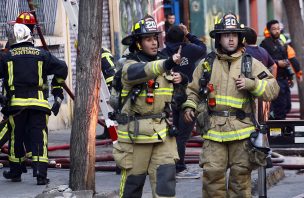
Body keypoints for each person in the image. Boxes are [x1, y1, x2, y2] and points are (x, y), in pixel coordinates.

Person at [183, 13, 279, 197]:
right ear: (219, 38)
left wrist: (252, 84)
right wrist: (189, 106)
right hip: (213, 131)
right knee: (212, 177)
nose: (231, 39)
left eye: (234, 35)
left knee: (240, 180)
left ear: (240, 38)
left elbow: (273, 89)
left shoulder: (251, 64)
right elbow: (193, 90)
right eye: (226, 35)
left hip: (242, 133)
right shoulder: (206, 65)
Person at [112, 15, 181, 197]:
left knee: (165, 187)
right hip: (136, 138)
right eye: (148, 39)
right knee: (132, 188)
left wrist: (182, 81)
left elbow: (174, 96)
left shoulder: (164, 63)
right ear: (138, 43)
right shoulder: (129, 65)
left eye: (155, 38)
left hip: (162, 134)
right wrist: (166, 64)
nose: (154, 43)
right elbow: (144, 71)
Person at [0, 23, 68, 185]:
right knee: (39, 138)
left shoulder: (7, 57)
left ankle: (16, 172)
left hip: (16, 106)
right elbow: (62, 67)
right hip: (39, 105)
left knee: (17, 137)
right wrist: (57, 89)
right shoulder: (42, 54)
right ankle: (40, 175)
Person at [161, 24, 206, 178]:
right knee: (182, 135)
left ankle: (175, 162)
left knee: (176, 131)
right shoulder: (189, 49)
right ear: (183, 37)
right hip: (189, 97)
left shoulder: (164, 52)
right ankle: (179, 165)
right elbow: (203, 47)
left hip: (172, 96)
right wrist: (190, 34)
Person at [260, 20, 303, 120]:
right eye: (274, 29)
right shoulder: (265, 43)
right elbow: (263, 61)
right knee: (279, 110)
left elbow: (288, 60)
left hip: (284, 80)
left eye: (278, 29)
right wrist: (277, 62)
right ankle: (276, 132)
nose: (277, 31)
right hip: (275, 80)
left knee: (287, 106)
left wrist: (290, 77)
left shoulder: (281, 42)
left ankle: (279, 128)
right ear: (269, 30)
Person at [243, 27, 277, 122]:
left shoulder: (244, 52)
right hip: (264, 93)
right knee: (264, 123)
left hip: (252, 94)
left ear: (243, 39)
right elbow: (274, 66)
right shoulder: (263, 51)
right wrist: (271, 83)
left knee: (253, 122)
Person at [96, 47, 116, 140]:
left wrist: (110, 86)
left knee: (108, 108)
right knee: (108, 109)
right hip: (110, 82)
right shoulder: (103, 51)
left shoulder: (99, 54)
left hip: (110, 83)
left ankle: (111, 133)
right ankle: (108, 132)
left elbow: (108, 69)